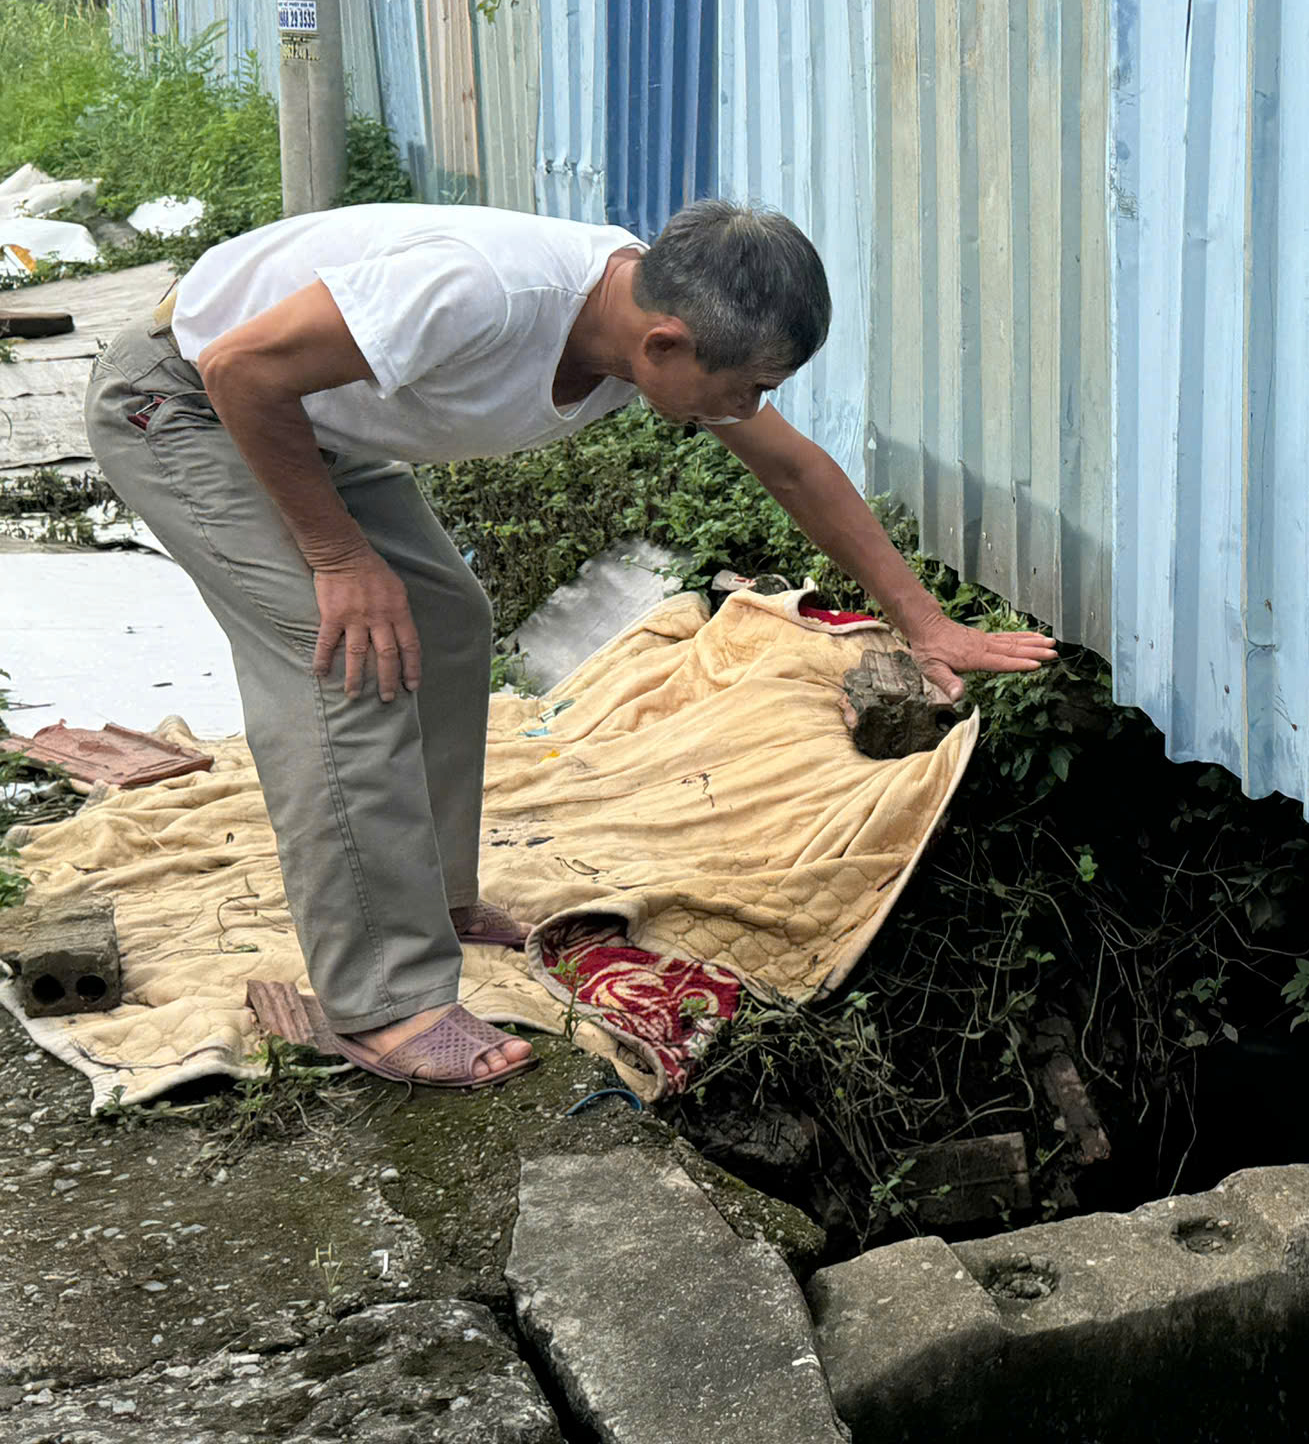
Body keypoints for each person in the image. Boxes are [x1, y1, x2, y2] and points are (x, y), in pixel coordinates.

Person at [83, 198, 1054, 1090]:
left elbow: (796, 470)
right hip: (182, 403)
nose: (743, 409)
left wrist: (928, 625)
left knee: (445, 623)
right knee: (345, 653)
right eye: (743, 388)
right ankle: (382, 1003)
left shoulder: (647, 330)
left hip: (310, 423)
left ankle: (429, 903)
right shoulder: (480, 293)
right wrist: (337, 556)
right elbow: (241, 368)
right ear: (666, 342)